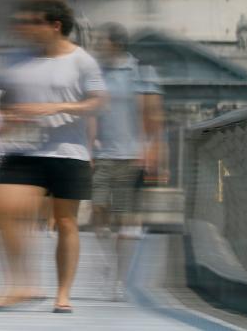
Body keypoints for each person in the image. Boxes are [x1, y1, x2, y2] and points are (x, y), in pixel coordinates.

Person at [0, 0, 105, 315]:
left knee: (65, 223)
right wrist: (3, 120)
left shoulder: (82, 61)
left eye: (32, 21)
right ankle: (20, 282)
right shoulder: (14, 59)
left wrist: (58, 107)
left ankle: (62, 293)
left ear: (55, 26)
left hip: (68, 152)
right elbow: (2, 100)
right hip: (23, 150)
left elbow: (97, 102)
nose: (23, 27)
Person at [90, 22, 163, 300]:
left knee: (124, 221)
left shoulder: (141, 72)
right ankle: (109, 260)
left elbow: (153, 115)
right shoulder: (96, 73)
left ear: (116, 44)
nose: (97, 45)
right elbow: (92, 111)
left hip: (131, 155)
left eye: (101, 40)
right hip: (103, 153)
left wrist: (152, 148)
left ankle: (119, 279)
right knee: (98, 214)